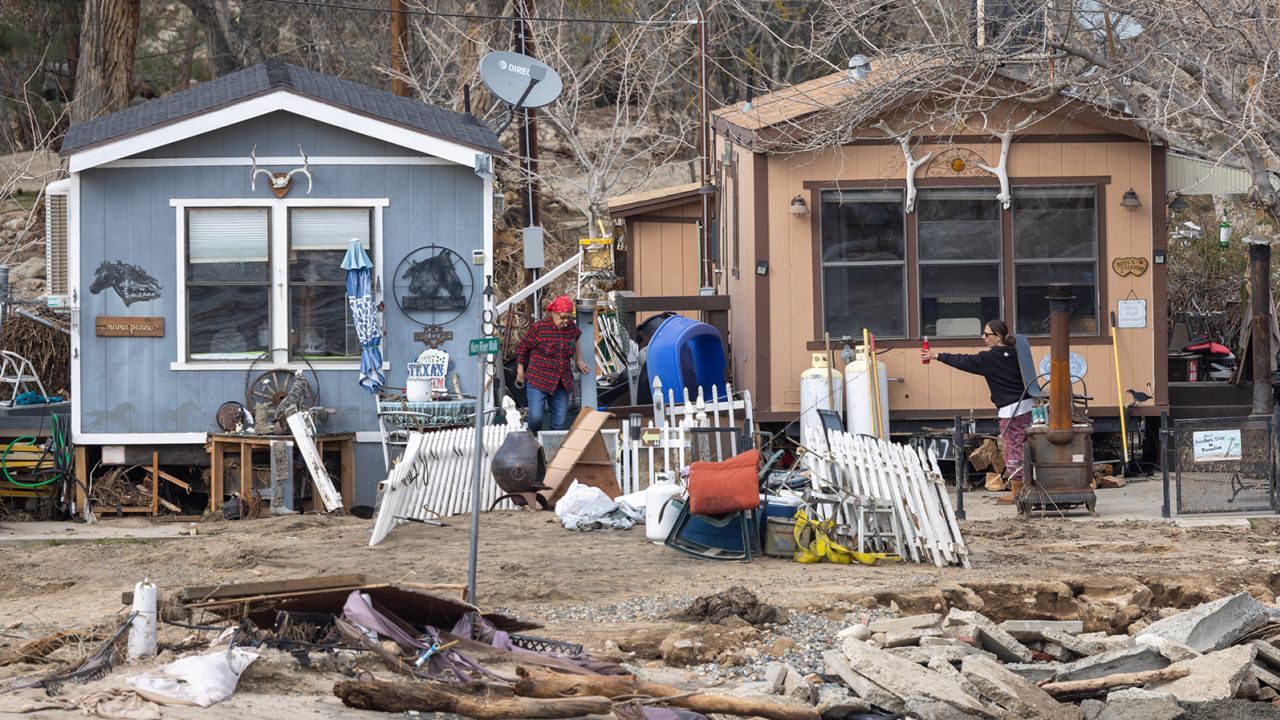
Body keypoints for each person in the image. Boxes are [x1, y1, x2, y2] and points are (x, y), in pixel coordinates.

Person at [921, 320, 1032, 504]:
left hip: (1011, 410)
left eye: (987, 335)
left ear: (997, 337)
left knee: (1013, 450)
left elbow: (964, 361)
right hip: (1026, 405)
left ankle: (1018, 493)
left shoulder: (991, 358)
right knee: (1025, 447)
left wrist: (937, 356)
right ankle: (1026, 486)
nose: (983, 338)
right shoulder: (1015, 352)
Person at [515, 295, 592, 433]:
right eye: (562, 317)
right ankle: (533, 440)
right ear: (553, 313)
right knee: (536, 417)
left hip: (561, 381)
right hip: (538, 379)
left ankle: (552, 449)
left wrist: (579, 360)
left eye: (568, 317)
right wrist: (520, 370)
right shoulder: (539, 328)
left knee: (560, 421)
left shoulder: (571, 328)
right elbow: (522, 348)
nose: (565, 321)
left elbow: (576, 339)